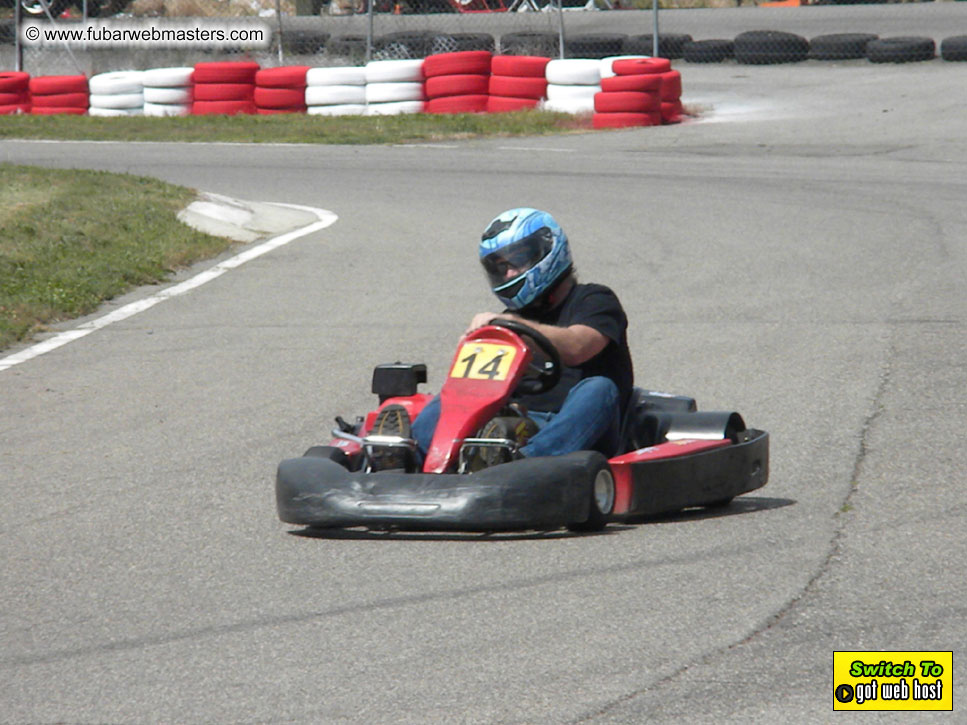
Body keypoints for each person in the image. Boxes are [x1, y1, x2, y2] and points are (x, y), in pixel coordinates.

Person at [377, 207, 634, 466]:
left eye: (516, 261)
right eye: (500, 267)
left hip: (576, 430)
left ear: (547, 250)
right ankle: (407, 457)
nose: (509, 274)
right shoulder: (507, 321)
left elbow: (578, 347)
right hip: (511, 424)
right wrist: (471, 346)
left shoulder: (595, 300)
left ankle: (526, 463)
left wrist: (515, 326)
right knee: (453, 395)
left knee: (599, 387)